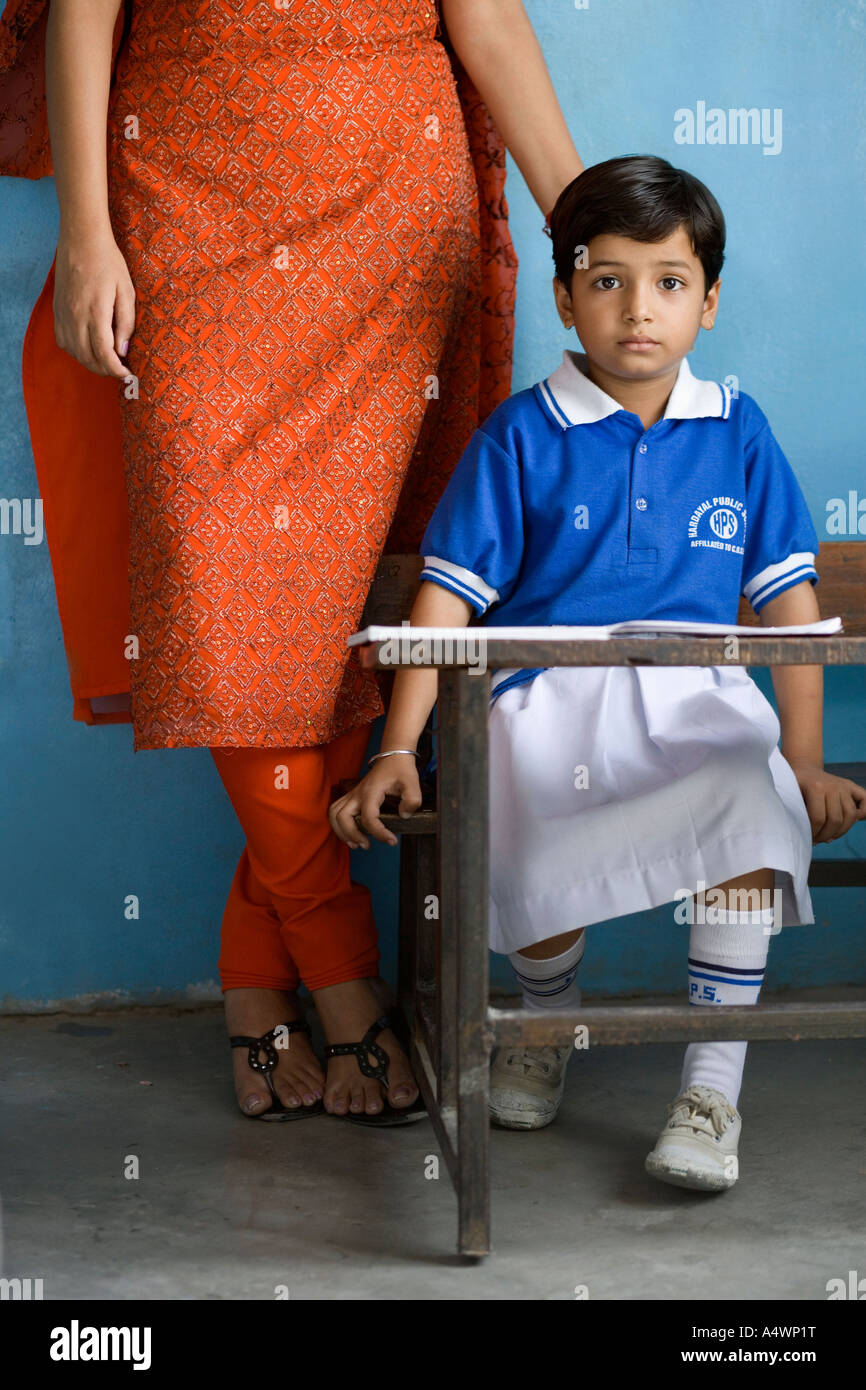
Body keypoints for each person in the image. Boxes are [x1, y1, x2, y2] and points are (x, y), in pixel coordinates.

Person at [0, 0, 583, 1120]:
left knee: (353, 600)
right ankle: (340, 969)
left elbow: (488, 21)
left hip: (394, 214)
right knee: (230, 598)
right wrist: (87, 231)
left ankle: (254, 982)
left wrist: (595, 231)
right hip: (180, 184)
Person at [330, 155, 866, 1179]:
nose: (636, 309)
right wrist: (398, 744)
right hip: (540, 699)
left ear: (706, 303)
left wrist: (803, 757)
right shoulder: (519, 435)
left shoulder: (736, 432)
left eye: (667, 282)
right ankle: (546, 1023)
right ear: (565, 296)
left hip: (698, 700)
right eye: (605, 278)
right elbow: (445, 601)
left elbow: (791, 608)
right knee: (524, 803)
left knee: (751, 804)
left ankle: (710, 1091)